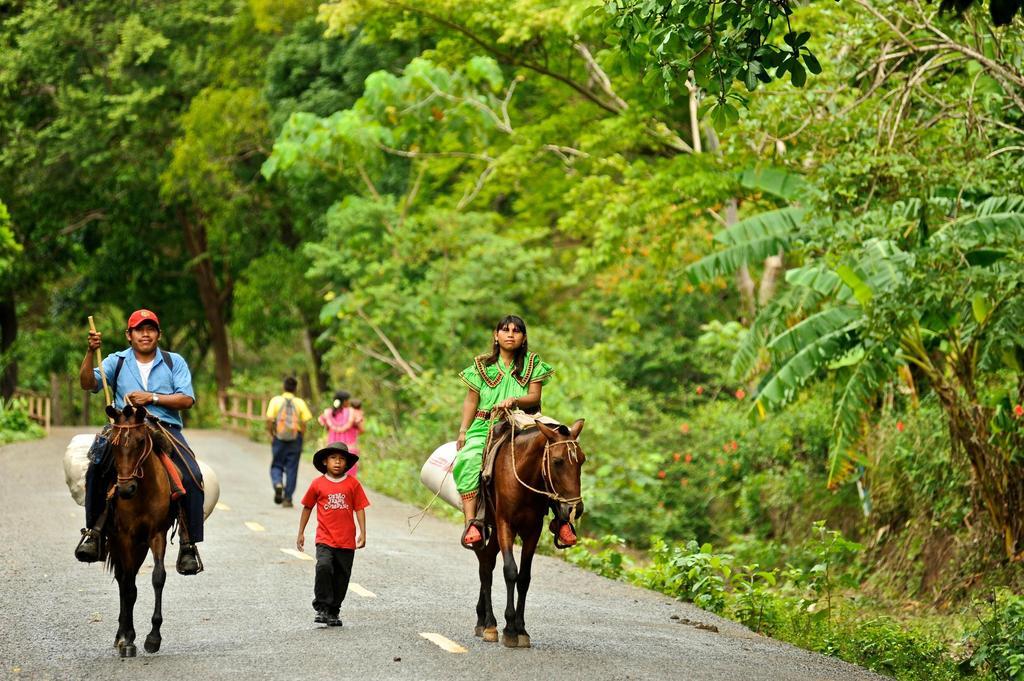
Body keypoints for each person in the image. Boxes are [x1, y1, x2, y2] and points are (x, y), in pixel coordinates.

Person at [75, 308, 205, 575]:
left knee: (192, 475)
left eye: (150, 329)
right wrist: (90, 353)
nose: (145, 334)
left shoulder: (173, 361)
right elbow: (88, 383)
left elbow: (187, 399)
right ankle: (94, 534)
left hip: (164, 428)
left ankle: (188, 544)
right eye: (139, 329)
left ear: (158, 334)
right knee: (96, 469)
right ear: (129, 335)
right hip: (126, 428)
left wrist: (152, 398)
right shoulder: (115, 361)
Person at [454, 315, 553, 549]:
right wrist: (463, 431)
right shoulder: (481, 366)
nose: (510, 334)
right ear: (495, 336)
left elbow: (535, 397)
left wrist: (514, 400)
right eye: (505, 330)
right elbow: (471, 401)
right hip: (485, 425)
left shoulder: (533, 364)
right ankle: (473, 524)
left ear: (524, 337)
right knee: (468, 458)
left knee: (558, 449)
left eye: (516, 331)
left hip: (523, 423)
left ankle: (563, 520)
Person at [296, 442, 369, 627]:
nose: (337, 462)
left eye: (342, 459)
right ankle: (322, 607)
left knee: (342, 577)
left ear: (347, 464)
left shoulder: (353, 484)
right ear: (325, 461)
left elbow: (360, 508)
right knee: (324, 567)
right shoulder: (317, 484)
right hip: (325, 539)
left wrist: (363, 532)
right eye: (333, 458)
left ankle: (334, 611)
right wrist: (301, 532)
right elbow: (307, 507)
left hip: (346, 541)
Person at [266, 377, 313, 508]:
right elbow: (304, 422)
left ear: (283, 387)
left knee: (277, 464)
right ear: (295, 388)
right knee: (292, 468)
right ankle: (287, 498)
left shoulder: (276, 400)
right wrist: (301, 436)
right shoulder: (300, 403)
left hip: (279, 437)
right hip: (295, 438)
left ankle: (277, 483)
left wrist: (271, 434)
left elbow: (269, 419)